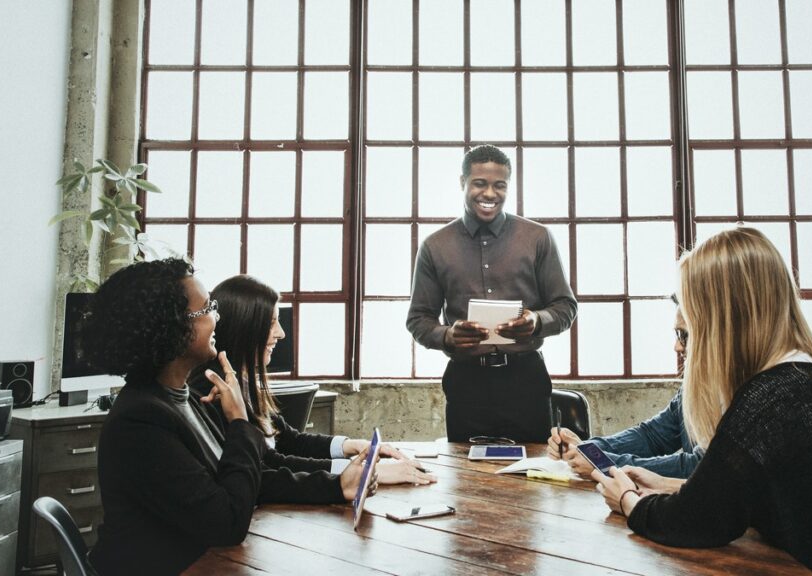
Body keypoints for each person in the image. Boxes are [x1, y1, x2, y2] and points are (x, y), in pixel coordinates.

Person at [592, 228, 812, 575]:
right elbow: (749, 497)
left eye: (685, 332)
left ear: (721, 323)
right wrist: (666, 484)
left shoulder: (772, 397)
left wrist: (628, 501)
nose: (680, 347)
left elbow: (698, 522)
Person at [84, 258, 368, 575]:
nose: (216, 317)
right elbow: (226, 523)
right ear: (171, 327)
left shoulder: (185, 398)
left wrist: (337, 485)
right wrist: (239, 423)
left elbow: (252, 475)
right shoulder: (141, 421)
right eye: (206, 310)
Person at [189, 274, 434, 504]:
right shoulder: (212, 390)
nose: (281, 333)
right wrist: (359, 473)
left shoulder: (241, 379)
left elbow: (288, 440)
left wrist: (351, 446)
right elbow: (268, 465)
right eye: (272, 322)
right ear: (245, 327)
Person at [406, 145, 577, 442]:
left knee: (533, 477)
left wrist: (536, 320)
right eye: (480, 183)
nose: (490, 194)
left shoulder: (537, 238)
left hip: (526, 379)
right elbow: (418, 320)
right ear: (463, 183)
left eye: (500, 185)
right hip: (466, 382)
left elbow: (565, 307)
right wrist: (448, 335)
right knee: (467, 480)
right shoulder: (435, 246)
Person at [547, 305, 702, 480]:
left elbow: (699, 467)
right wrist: (586, 448)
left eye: (684, 335)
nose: (677, 347)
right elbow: (652, 436)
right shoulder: (695, 385)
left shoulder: (733, 395)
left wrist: (605, 464)